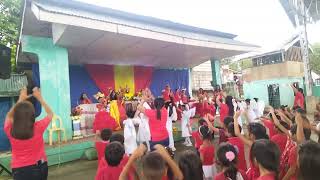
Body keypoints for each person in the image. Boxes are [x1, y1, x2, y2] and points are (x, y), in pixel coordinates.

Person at [4, 87, 53, 180]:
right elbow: (50, 114)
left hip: (19, 170)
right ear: (33, 115)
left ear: (16, 115)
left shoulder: (10, 129)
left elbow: (9, 115)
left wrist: (20, 99)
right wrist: (40, 98)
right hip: (39, 166)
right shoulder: (38, 127)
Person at [119, 144, 183, 180]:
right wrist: (167, 156)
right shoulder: (167, 175)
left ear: (142, 173)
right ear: (165, 171)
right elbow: (180, 176)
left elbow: (121, 178)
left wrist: (132, 157)